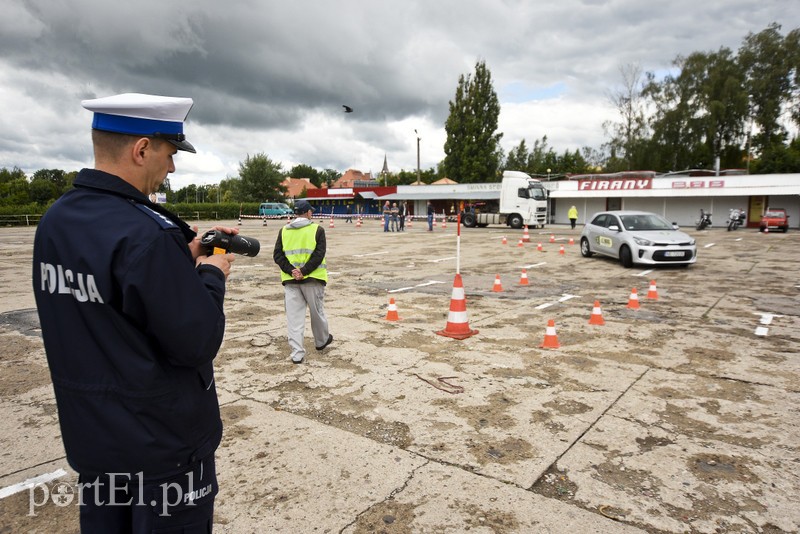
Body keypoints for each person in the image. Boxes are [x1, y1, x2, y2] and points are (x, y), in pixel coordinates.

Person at [32, 93, 236, 532]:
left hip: (96, 443)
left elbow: (108, 294)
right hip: (162, 450)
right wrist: (211, 273)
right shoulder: (146, 233)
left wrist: (182, 256)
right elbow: (196, 340)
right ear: (141, 149)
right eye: (169, 153)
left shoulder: (57, 220)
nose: (172, 167)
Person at [273, 199, 333, 364]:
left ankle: (297, 354)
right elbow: (319, 254)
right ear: (308, 213)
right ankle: (321, 342)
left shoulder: (284, 230)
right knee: (317, 313)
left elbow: (277, 255)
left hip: (290, 281)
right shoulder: (317, 230)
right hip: (313, 280)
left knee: (294, 318)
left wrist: (292, 271)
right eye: (311, 211)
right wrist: (304, 271)